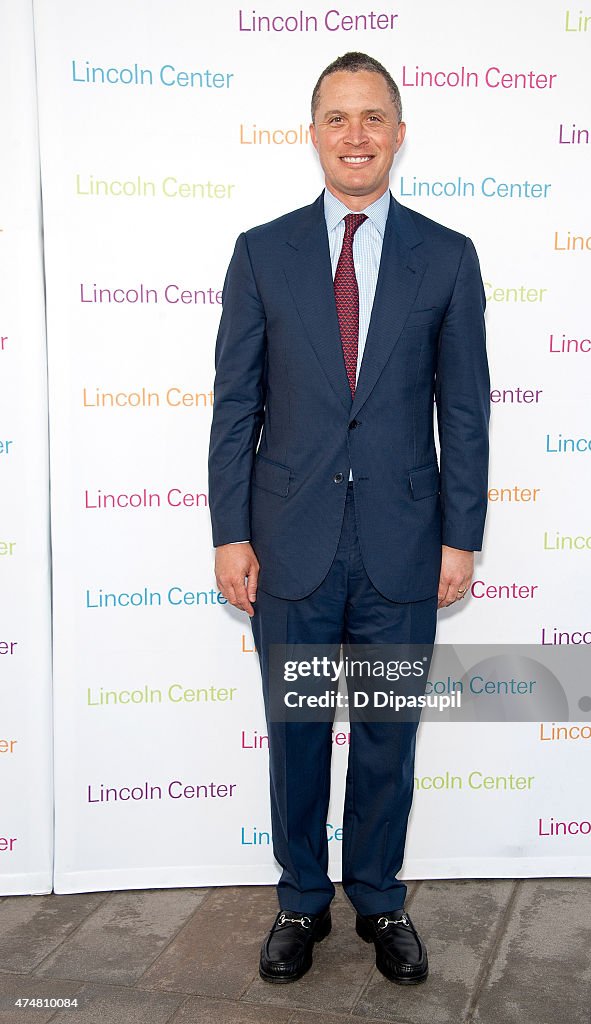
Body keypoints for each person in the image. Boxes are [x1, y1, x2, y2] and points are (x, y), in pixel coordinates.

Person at [208, 51, 489, 986]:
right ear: (314, 132)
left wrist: (460, 535)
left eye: (373, 118)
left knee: (385, 737)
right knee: (294, 734)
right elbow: (234, 407)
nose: (356, 135)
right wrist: (229, 531)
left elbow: (466, 409)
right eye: (338, 117)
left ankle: (377, 899)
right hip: (288, 545)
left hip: (403, 549)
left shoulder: (446, 256)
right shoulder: (261, 251)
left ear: (399, 135)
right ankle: (299, 901)